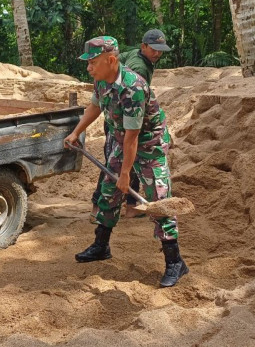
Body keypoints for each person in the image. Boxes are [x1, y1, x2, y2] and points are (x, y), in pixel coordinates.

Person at [64, 36, 187, 288]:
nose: (88, 68)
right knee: (108, 191)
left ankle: (175, 262)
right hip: (123, 140)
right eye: (88, 63)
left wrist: (125, 174)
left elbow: (134, 137)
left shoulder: (133, 88)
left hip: (149, 143)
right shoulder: (101, 80)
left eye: (93, 62)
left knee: (158, 200)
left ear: (111, 60)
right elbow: (95, 107)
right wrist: (76, 132)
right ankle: (101, 246)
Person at [90, 29, 172, 220]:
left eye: (160, 50)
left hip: (119, 116)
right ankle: (102, 206)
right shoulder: (139, 69)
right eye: (153, 49)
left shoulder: (136, 55)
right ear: (143, 46)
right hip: (122, 121)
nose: (157, 53)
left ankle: (128, 205)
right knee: (119, 164)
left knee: (121, 163)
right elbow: (131, 98)